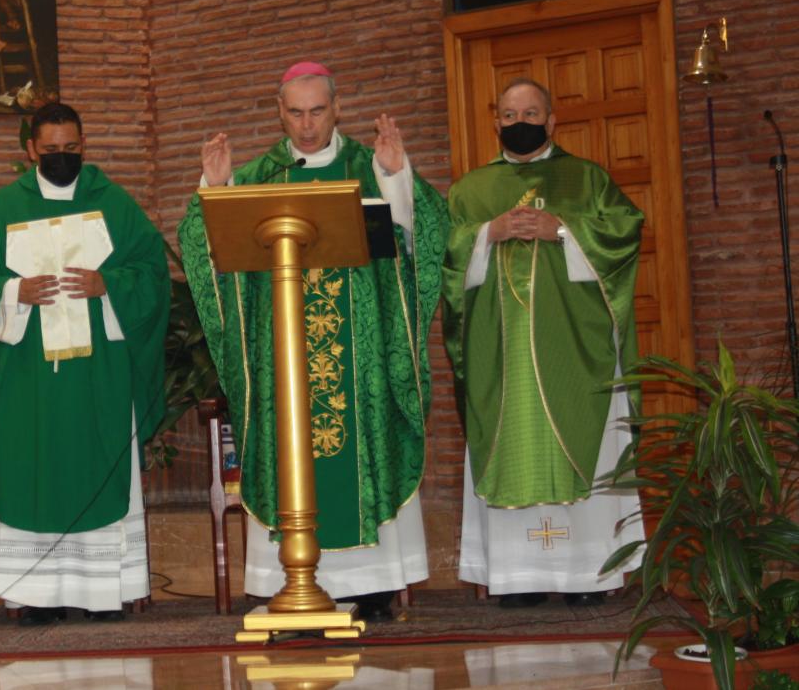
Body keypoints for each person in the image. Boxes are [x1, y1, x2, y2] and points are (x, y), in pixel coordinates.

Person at [177, 61, 449, 622]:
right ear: (279, 112)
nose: (306, 125)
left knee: (359, 442)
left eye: (317, 111)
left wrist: (399, 179)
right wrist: (217, 189)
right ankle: (287, 581)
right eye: (295, 112)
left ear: (337, 108)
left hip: (361, 356)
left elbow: (425, 237)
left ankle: (370, 584)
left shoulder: (369, 168)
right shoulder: (257, 177)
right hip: (281, 357)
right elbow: (206, 251)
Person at [0, 102, 170, 626]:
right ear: (30, 150)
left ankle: (104, 592)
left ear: (83, 145)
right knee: (30, 467)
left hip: (99, 375)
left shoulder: (113, 204)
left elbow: (152, 274)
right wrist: (13, 291)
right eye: (50, 150)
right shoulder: (2, 209)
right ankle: (34, 595)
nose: (61, 158)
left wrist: (108, 284)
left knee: (97, 460)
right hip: (28, 376)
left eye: (71, 149)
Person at [441, 79, 644, 608]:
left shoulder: (586, 180)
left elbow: (625, 232)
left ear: (552, 121)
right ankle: (519, 577)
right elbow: (446, 260)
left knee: (585, 442)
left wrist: (563, 229)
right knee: (512, 445)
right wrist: (488, 233)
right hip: (501, 357)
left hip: (575, 353)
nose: (520, 122)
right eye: (509, 114)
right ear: (496, 122)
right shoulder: (470, 191)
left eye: (530, 112)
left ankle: (591, 575)